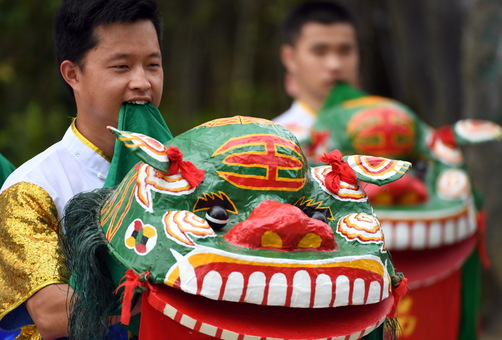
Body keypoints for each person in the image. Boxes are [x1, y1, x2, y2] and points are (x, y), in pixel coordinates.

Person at [0, 1, 170, 339]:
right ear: (72, 73)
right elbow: (50, 312)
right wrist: (169, 286)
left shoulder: (185, 174)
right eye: (121, 67)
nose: (142, 82)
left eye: (152, 65)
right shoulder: (34, 186)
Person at [273, 0, 361, 145]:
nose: (335, 65)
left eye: (345, 51)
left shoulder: (391, 131)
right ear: (289, 58)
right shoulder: (275, 142)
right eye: (319, 52)